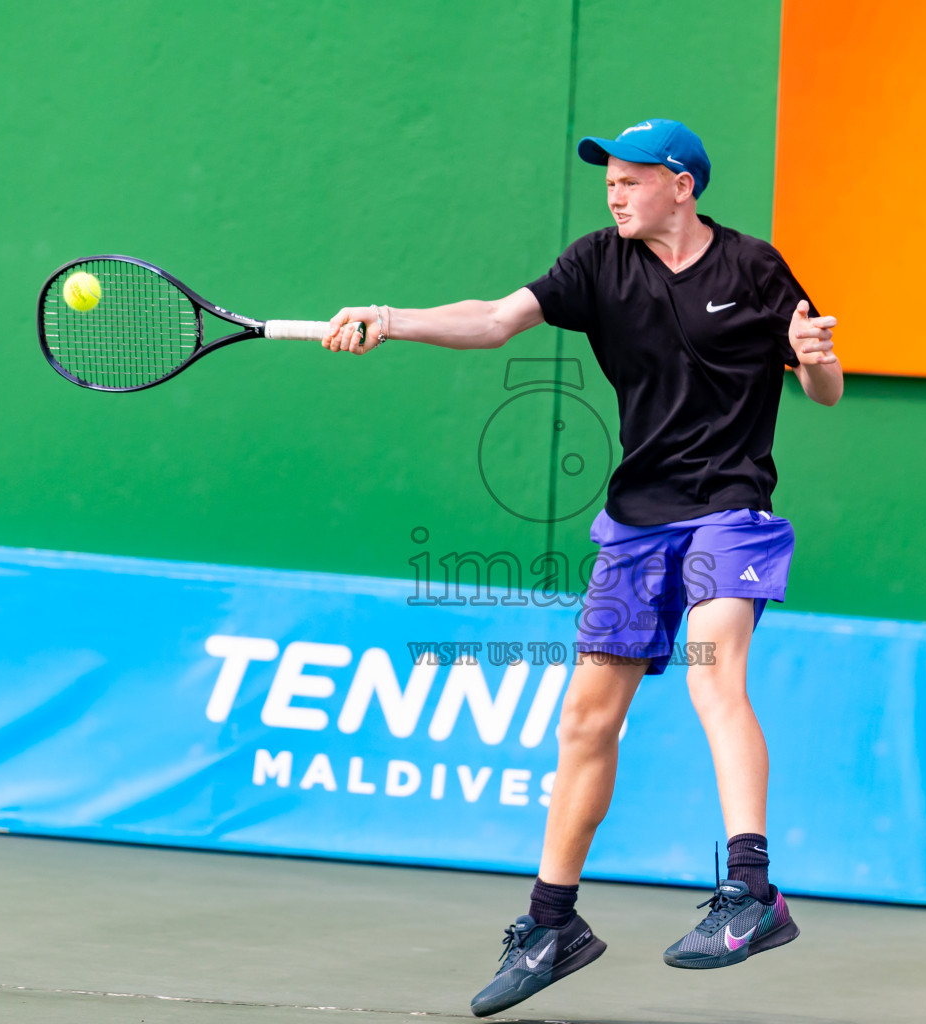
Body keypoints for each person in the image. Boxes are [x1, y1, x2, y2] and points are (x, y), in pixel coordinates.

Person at [322, 118, 840, 1018]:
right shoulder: (597, 263)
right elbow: (492, 320)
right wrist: (392, 320)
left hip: (732, 508)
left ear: (683, 185)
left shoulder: (756, 269)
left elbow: (822, 386)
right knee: (584, 719)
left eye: (633, 178)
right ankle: (552, 925)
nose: (615, 191)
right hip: (638, 522)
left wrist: (818, 364)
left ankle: (753, 892)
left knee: (713, 674)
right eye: (610, 178)